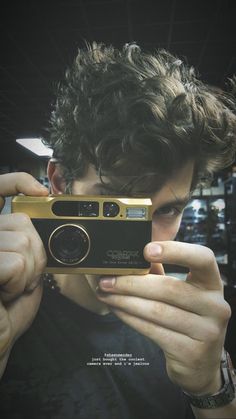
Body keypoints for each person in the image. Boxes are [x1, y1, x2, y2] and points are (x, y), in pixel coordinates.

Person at [0, 42, 236, 419]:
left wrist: (210, 387)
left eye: (169, 209)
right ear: (60, 181)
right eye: (116, 208)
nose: (143, 240)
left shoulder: (194, 323)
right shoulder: (9, 309)